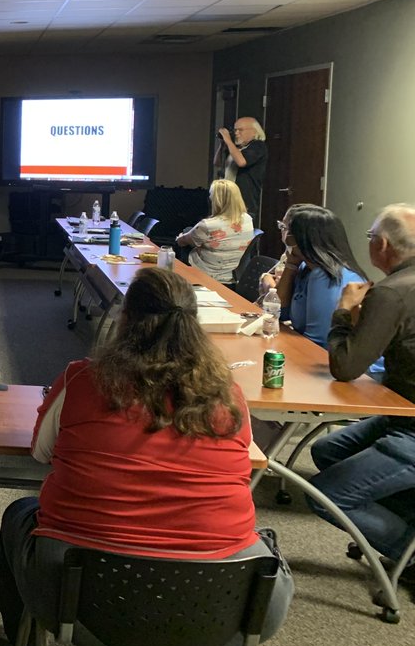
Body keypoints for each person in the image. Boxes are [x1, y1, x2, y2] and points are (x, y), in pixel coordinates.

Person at [0, 268, 292, 646]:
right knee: (261, 543)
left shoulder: (83, 380)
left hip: (76, 595)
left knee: (19, 513)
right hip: (224, 605)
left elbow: (41, 453)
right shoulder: (228, 396)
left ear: (125, 319)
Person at [308, 204, 415, 560]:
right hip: (399, 412)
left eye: (370, 237)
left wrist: (344, 311)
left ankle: (406, 551)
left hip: (411, 429)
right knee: (327, 450)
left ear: (382, 245)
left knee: (324, 497)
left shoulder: (391, 293)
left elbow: (346, 366)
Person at [271, 206, 371, 347]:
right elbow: (280, 313)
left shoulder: (326, 276)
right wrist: (290, 265)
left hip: (344, 363)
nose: (283, 235)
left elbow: (318, 343)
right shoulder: (305, 267)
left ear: (293, 239)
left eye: (283, 227)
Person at [175, 179, 255, 284]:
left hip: (206, 273)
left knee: (186, 236)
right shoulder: (248, 219)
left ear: (216, 200)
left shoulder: (208, 225)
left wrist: (181, 236)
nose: (209, 197)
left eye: (211, 195)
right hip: (233, 274)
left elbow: (181, 242)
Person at [215, 116, 267, 222]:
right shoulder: (236, 148)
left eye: (240, 130)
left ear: (254, 131)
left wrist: (228, 140)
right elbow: (217, 163)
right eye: (235, 130)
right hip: (226, 199)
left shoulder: (258, 146)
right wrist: (222, 144)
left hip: (243, 202)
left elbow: (242, 162)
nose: (236, 133)